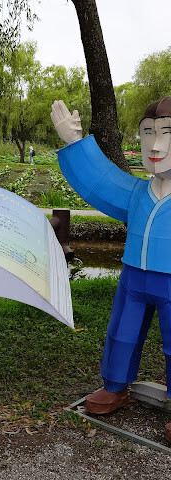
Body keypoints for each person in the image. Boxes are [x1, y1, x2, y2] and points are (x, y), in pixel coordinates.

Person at [51, 96, 171, 441]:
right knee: (121, 332)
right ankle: (115, 387)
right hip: (133, 277)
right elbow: (102, 182)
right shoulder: (137, 192)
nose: (155, 146)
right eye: (148, 133)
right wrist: (74, 142)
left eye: (167, 134)